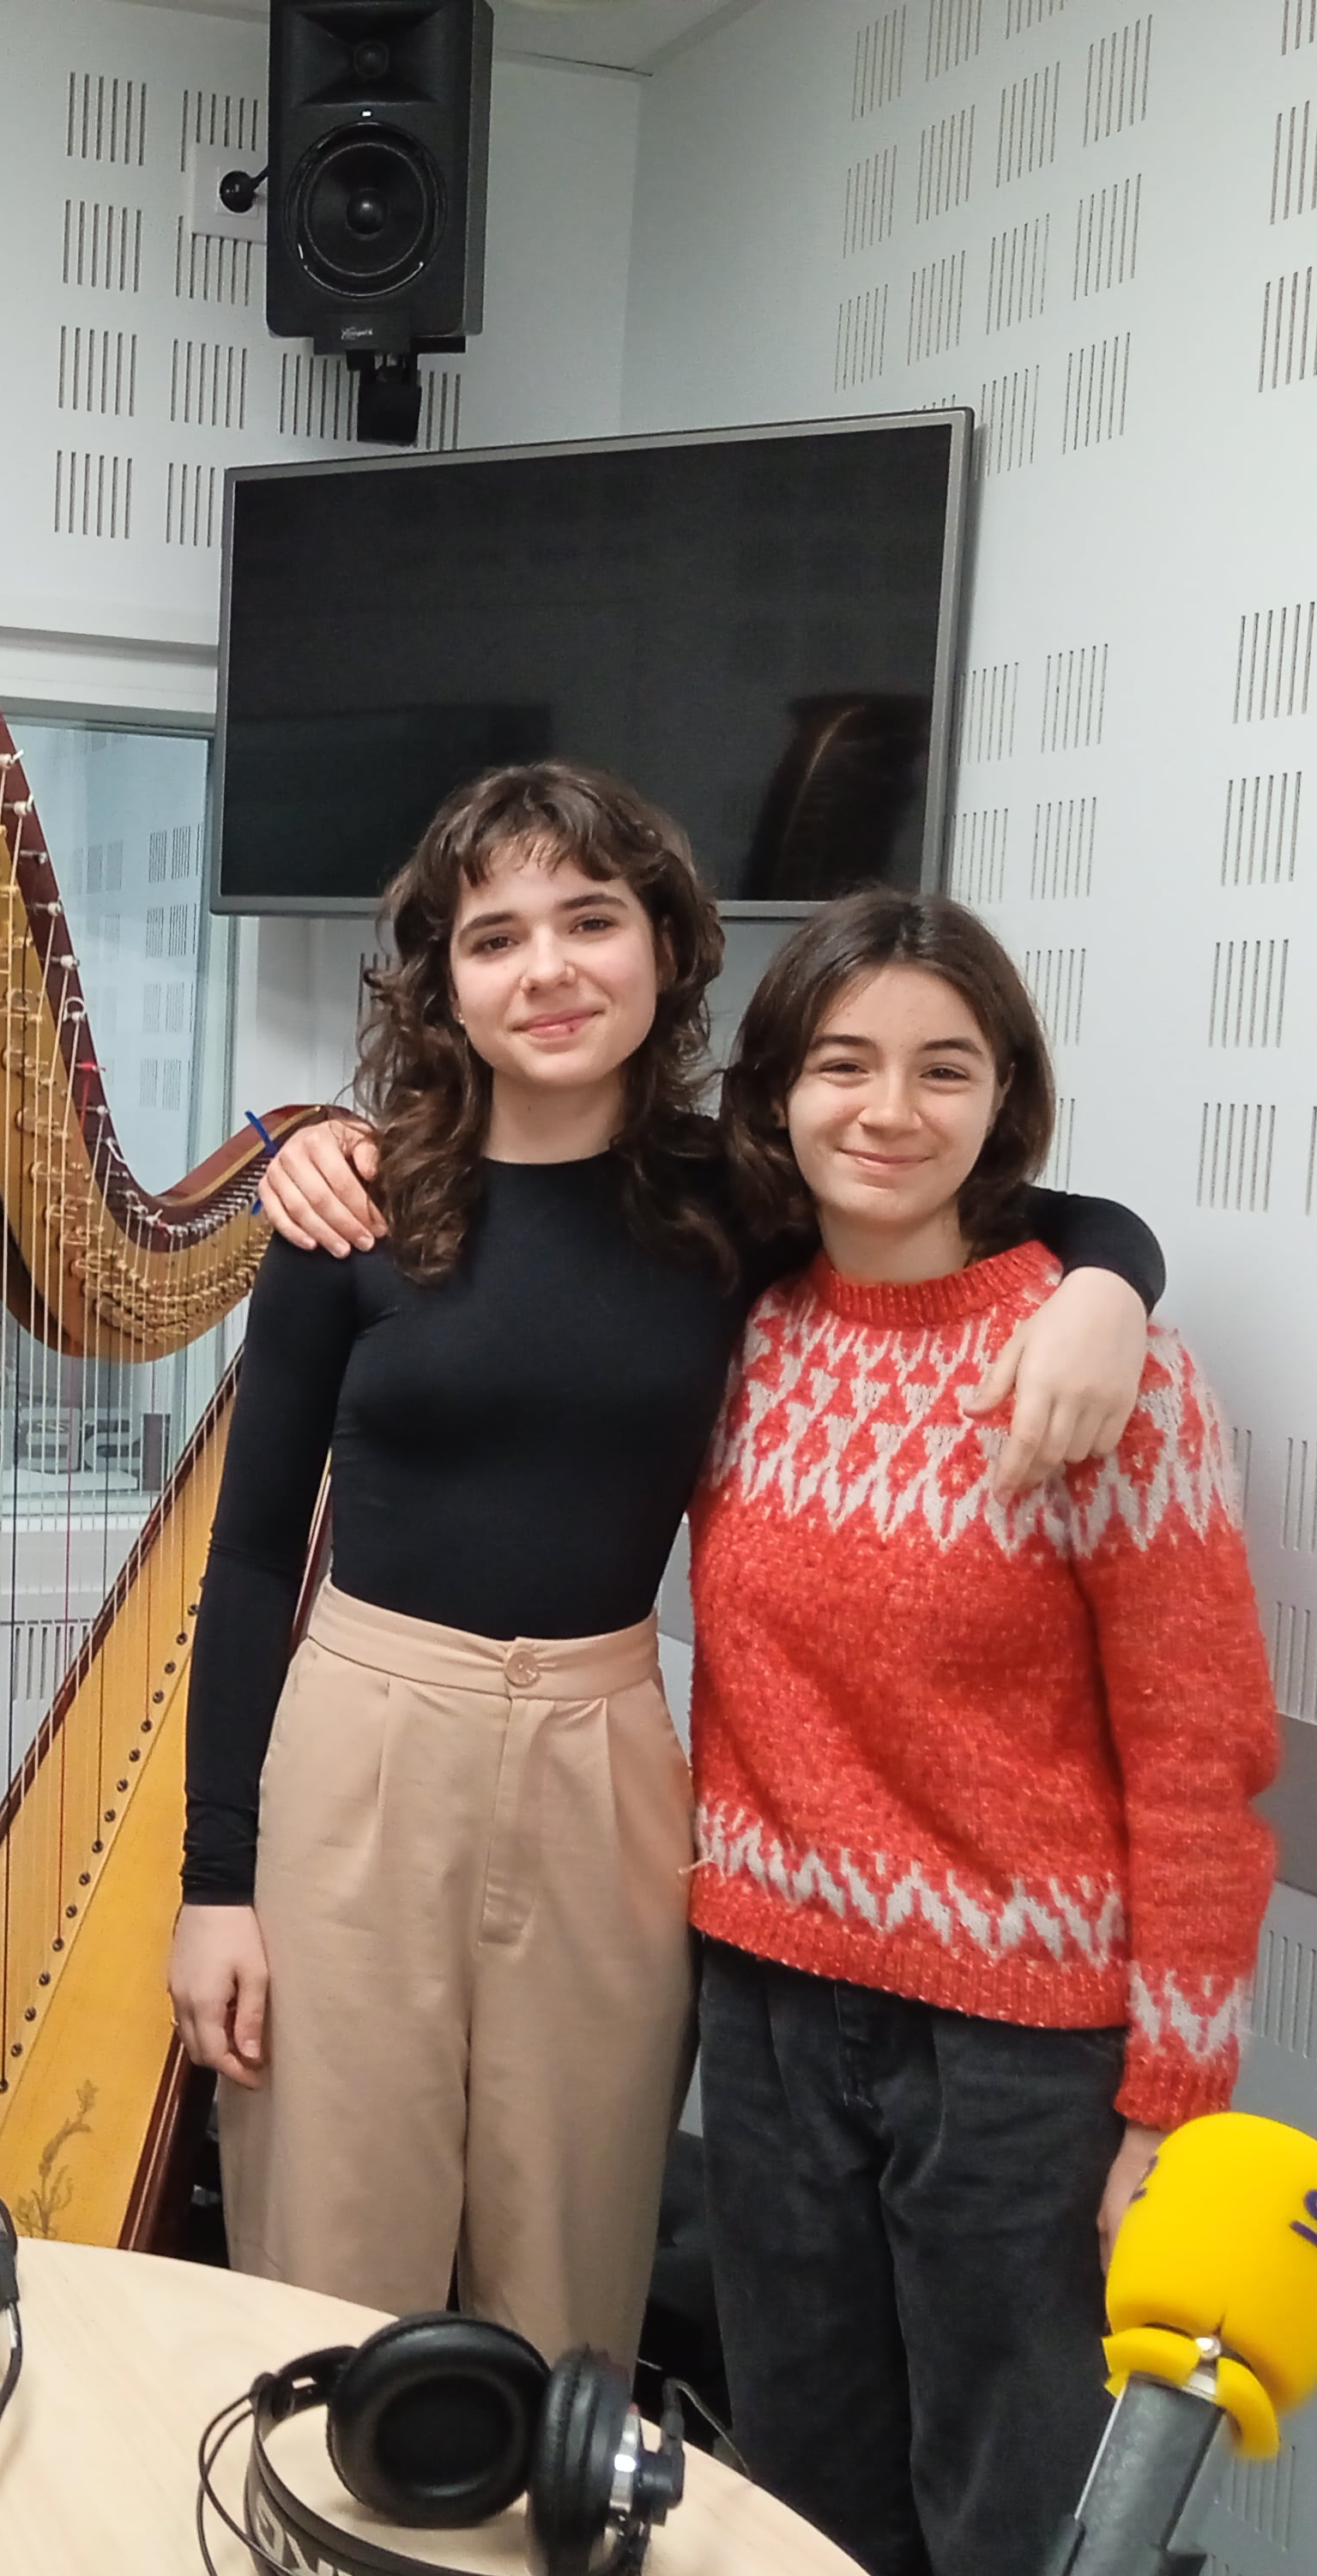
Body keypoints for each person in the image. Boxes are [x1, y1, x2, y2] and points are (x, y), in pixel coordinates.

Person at [169, 763, 1169, 2362]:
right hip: (357, 1747)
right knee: (326, 2260)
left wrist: (1112, 1290)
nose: (548, 968)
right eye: (494, 938)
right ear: (446, 983)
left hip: (612, 1757)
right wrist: (215, 1884)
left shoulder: (738, 1201)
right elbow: (247, 1566)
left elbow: (1055, 1212)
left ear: (666, 949)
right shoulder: (351, 1216)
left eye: (590, 919)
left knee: (573, 2257)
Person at [688, 886, 1276, 2576]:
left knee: (1012, 2540)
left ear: (1004, 1099)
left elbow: (1201, 1753)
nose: (889, 1109)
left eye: (943, 1069)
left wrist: (1172, 2094)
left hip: (1020, 2055)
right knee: (797, 2508)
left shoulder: (1099, 1370)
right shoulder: (740, 1329)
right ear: (777, 1095)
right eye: (843, 1063)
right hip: (769, 2001)